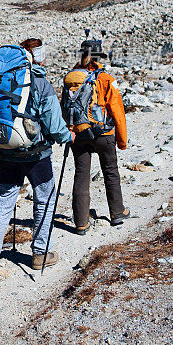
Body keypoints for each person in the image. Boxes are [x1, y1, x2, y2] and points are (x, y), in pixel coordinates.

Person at [0, 39, 73, 284]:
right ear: (36, 57)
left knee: (3, 200)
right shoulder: (40, 84)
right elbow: (55, 126)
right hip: (36, 154)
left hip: (3, 149)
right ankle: (40, 252)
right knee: (45, 197)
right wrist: (68, 136)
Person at [63, 38, 129, 234]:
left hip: (79, 133)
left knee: (81, 175)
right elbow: (117, 110)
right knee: (110, 171)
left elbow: (64, 107)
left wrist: (68, 130)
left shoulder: (71, 78)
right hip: (103, 134)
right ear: (100, 57)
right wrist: (122, 141)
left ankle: (81, 223)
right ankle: (117, 212)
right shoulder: (106, 79)